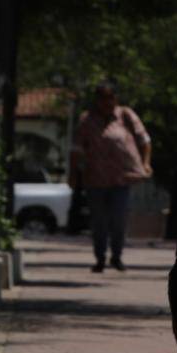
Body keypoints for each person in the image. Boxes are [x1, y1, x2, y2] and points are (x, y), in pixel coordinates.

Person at [70, 81, 152, 272]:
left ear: (116, 98)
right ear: (97, 100)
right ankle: (100, 258)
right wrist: (73, 175)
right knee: (98, 221)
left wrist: (146, 163)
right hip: (95, 180)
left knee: (119, 219)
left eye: (110, 98)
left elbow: (145, 140)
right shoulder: (87, 120)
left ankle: (116, 256)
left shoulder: (126, 115)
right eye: (103, 98)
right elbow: (76, 150)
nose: (107, 102)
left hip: (122, 179)